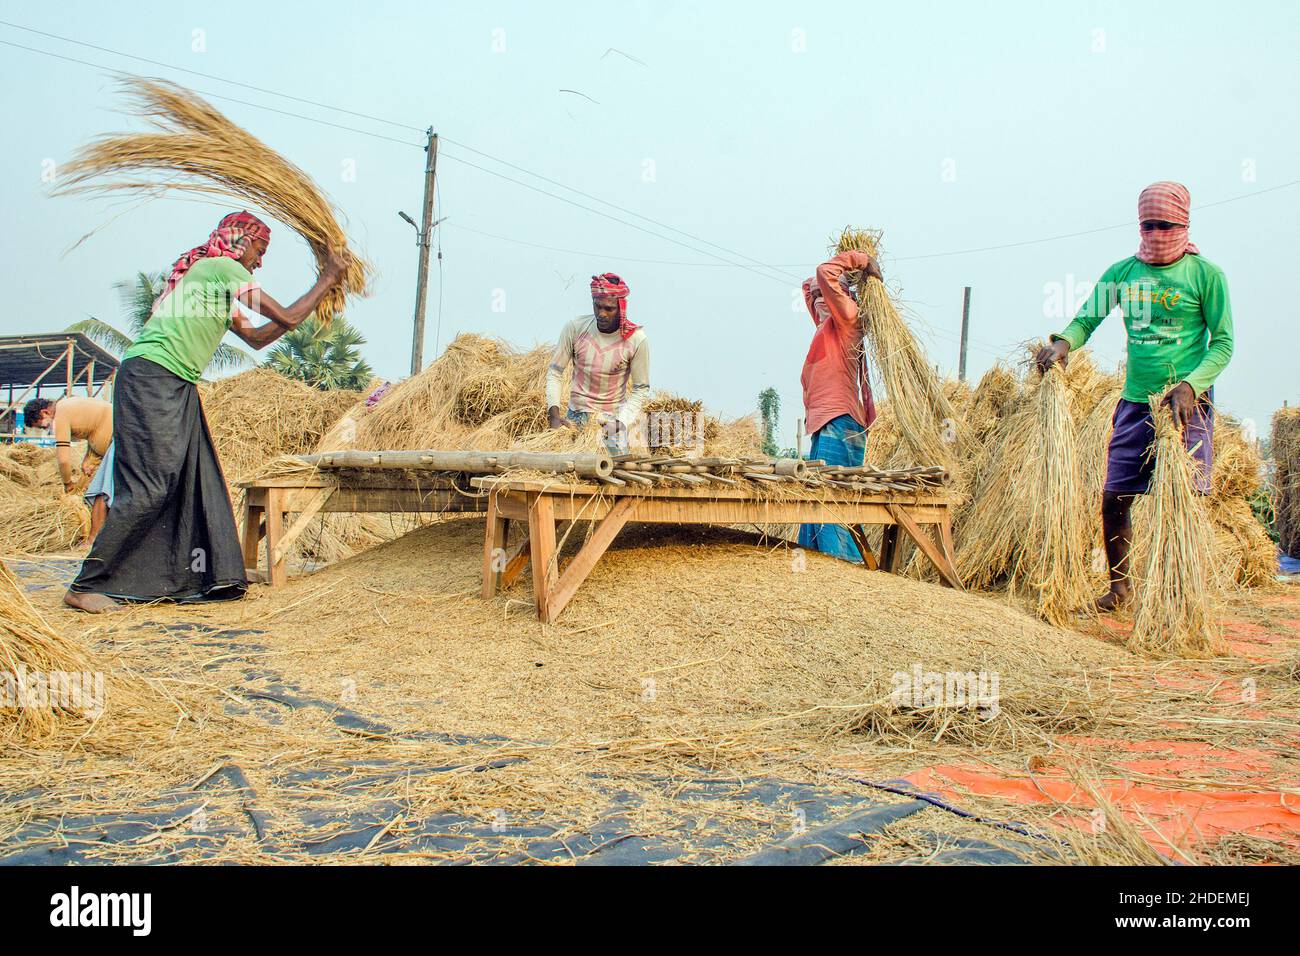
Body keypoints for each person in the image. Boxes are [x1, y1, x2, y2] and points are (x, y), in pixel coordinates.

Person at [64, 211, 350, 613]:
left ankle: (188, 577)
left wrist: (324, 286)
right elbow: (284, 316)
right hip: (153, 376)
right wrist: (326, 280)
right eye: (260, 250)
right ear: (240, 241)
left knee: (192, 480)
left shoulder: (214, 282)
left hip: (177, 383)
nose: (260, 260)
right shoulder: (221, 268)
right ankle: (85, 584)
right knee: (151, 486)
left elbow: (256, 337)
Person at [1036, 181, 1233, 611]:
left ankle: (1181, 594)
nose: (1157, 234)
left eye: (1166, 225)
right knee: (1116, 495)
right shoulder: (1123, 272)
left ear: (1183, 224)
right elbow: (1087, 320)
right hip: (1136, 402)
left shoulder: (1206, 276)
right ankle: (1120, 589)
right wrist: (1063, 344)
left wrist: (1189, 386)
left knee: (1185, 499)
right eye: (1148, 225)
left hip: (1186, 406)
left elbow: (1223, 344)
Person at [796, 248, 882, 562]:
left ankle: (842, 567)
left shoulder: (847, 318)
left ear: (840, 295)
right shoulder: (825, 326)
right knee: (818, 497)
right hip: (826, 421)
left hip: (841, 419)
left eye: (826, 294)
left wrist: (858, 260)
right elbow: (811, 286)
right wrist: (827, 285)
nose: (818, 298)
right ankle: (822, 567)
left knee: (829, 499)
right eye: (816, 296)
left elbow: (823, 273)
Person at [546, 272, 649, 454]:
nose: (602, 314)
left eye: (609, 309)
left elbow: (641, 388)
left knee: (614, 476)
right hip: (575, 419)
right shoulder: (576, 328)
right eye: (597, 306)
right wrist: (553, 416)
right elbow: (555, 372)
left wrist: (621, 422)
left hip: (612, 422)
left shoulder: (636, 340)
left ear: (621, 307)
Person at [23, 395, 115, 542]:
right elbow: (94, 428)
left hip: (117, 442)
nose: (45, 429)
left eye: (42, 425)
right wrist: (88, 458)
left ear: (45, 413)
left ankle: (93, 538)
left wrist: (68, 484)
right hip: (116, 438)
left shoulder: (60, 415)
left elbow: (64, 460)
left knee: (101, 491)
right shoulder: (69, 404)